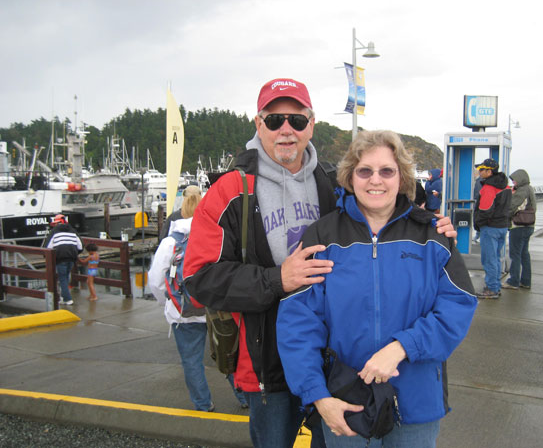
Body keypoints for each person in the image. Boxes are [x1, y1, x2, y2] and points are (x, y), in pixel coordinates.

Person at [182, 78, 459, 448]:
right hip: (267, 364)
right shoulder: (231, 191)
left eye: (297, 120)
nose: (286, 129)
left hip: (337, 369)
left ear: (311, 125)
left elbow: (380, 212)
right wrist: (277, 279)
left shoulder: (331, 183)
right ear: (258, 124)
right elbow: (198, 278)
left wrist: (434, 226)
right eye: (274, 119)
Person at [276, 130, 477, 448]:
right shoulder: (323, 236)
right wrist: (317, 395)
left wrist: (402, 347)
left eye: (387, 171)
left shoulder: (433, 235)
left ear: (402, 177)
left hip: (417, 402)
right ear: (350, 177)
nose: (375, 180)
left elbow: (458, 306)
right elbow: (298, 323)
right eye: (365, 171)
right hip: (345, 400)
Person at [149, 192, 247, 412]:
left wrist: (167, 302)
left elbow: (156, 281)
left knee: (192, 361)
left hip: (183, 312)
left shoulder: (170, 242)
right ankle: (244, 396)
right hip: (216, 308)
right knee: (229, 354)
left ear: (182, 211)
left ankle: (203, 404)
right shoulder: (215, 236)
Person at [473, 159, 512, 299]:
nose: (479, 172)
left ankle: (491, 289)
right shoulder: (506, 186)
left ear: (489, 172)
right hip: (502, 226)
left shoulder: (489, 188)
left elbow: (485, 210)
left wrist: (478, 223)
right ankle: (495, 285)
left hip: (490, 228)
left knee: (489, 259)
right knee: (496, 258)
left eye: (482, 169)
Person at [502, 169, 536, 290]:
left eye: (515, 180)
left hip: (518, 226)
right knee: (524, 254)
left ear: (520, 179)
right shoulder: (530, 189)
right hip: (529, 226)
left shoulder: (522, 191)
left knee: (515, 254)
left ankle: (513, 281)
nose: (513, 182)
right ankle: (526, 281)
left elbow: (512, 207)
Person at [45, 214, 83, 305]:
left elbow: (48, 247)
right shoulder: (73, 231)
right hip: (71, 258)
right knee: (66, 277)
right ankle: (63, 296)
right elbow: (80, 246)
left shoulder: (54, 232)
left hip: (60, 258)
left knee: (62, 278)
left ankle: (67, 299)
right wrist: (74, 253)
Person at [472, 175, 483, 243]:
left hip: (478, 201)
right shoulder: (479, 180)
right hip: (478, 200)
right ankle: (478, 235)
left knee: (478, 217)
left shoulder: (479, 180)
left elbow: (478, 192)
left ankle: (478, 235)